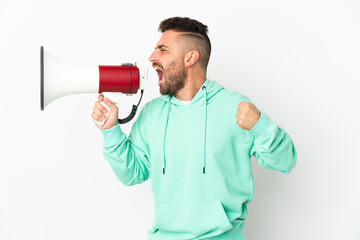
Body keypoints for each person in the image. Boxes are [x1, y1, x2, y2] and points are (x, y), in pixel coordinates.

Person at [91, 16, 297, 240]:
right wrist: (111, 131)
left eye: (163, 49)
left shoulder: (235, 106)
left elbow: (285, 161)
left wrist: (260, 125)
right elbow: (132, 174)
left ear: (190, 57)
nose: (152, 57)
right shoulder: (152, 113)